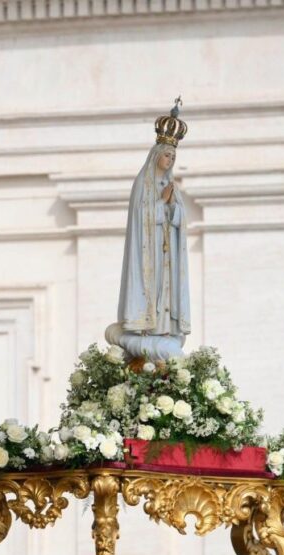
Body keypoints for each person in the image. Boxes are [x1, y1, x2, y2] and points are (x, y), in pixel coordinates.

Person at [106, 100, 190, 361]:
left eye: (173, 157)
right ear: (156, 155)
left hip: (166, 255)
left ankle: (164, 328)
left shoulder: (169, 184)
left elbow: (179, 219)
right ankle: (144, 326)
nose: (170, 159)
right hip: (147, 252)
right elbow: (141, 217)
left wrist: (174, 206)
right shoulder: (144, 182)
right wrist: (162, 201)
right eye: (167, 155)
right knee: (150, 288)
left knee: (165, 289)